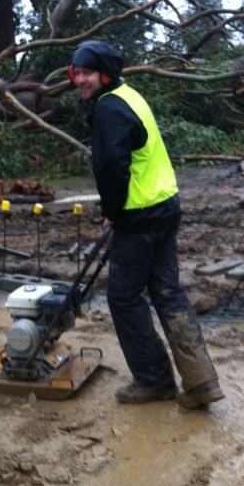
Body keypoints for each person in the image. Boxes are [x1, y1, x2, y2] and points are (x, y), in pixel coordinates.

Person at [69, 40, 224, 408]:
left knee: (123, 297)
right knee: (168, 292)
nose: (80, 81)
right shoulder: (129, 95)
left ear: (104, 73)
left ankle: (154, 380)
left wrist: (113, 210)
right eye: (76, 74)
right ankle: (201, 380)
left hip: (139, 216)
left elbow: (110, 167)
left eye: (87, 73)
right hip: (166, 206)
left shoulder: (109, 109)